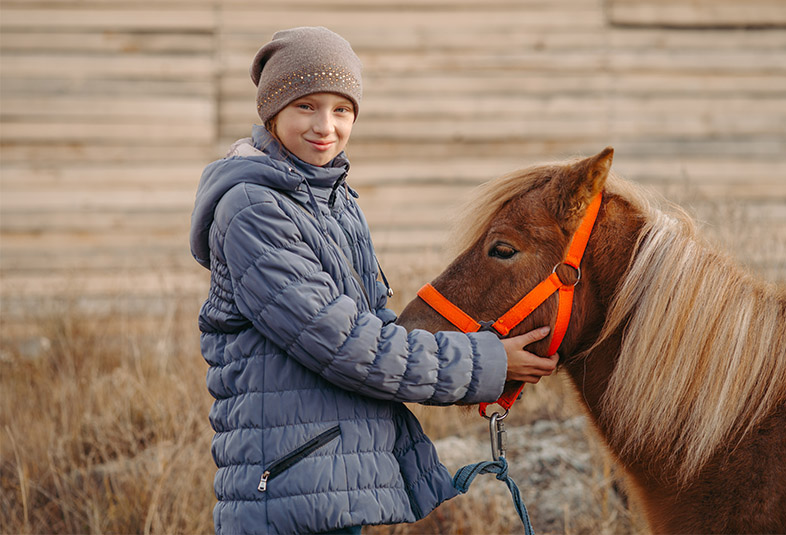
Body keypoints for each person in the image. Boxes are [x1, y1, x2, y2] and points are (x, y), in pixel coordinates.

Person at [190, 26, 558, 535]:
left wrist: (482, 348)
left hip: (327, 475)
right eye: (306, 106)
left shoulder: (337, 202)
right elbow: (346, 345)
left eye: (342, 109)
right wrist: (486, 362)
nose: (326, 126)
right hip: (292, 486)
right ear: (272, 111)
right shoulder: (253, 210)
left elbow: (380, 328)